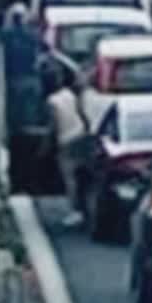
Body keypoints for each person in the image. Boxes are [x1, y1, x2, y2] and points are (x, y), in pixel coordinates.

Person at [47, 81, 88, 228]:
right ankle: (83, 209)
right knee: (81, 176)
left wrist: (47, 146)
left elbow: (54, 125)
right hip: (81, 135)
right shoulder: (69, 95)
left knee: (70, 178)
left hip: (67, 141)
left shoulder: (52, 101)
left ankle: (76, 211)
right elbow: (82, 114)